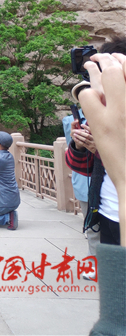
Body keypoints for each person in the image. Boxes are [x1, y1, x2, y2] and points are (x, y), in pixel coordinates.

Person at [75, 52, 126, 335]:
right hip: (107, 210)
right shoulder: (104, 118)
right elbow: (76, 163)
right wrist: (88, 147)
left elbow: (114, 326)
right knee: (115, 288)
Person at [66, 37, 126, 248]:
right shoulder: (104, 113)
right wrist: (81, 145)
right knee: (109, 268)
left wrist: (104, 147)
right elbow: (80, 166)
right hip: (107, 211)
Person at [62, 108, 100, 267]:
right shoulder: (70, 121)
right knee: (93, 229)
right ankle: (94, 264)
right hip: (86, 181)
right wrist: (79, 144)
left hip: (112, 182)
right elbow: (72, 149)